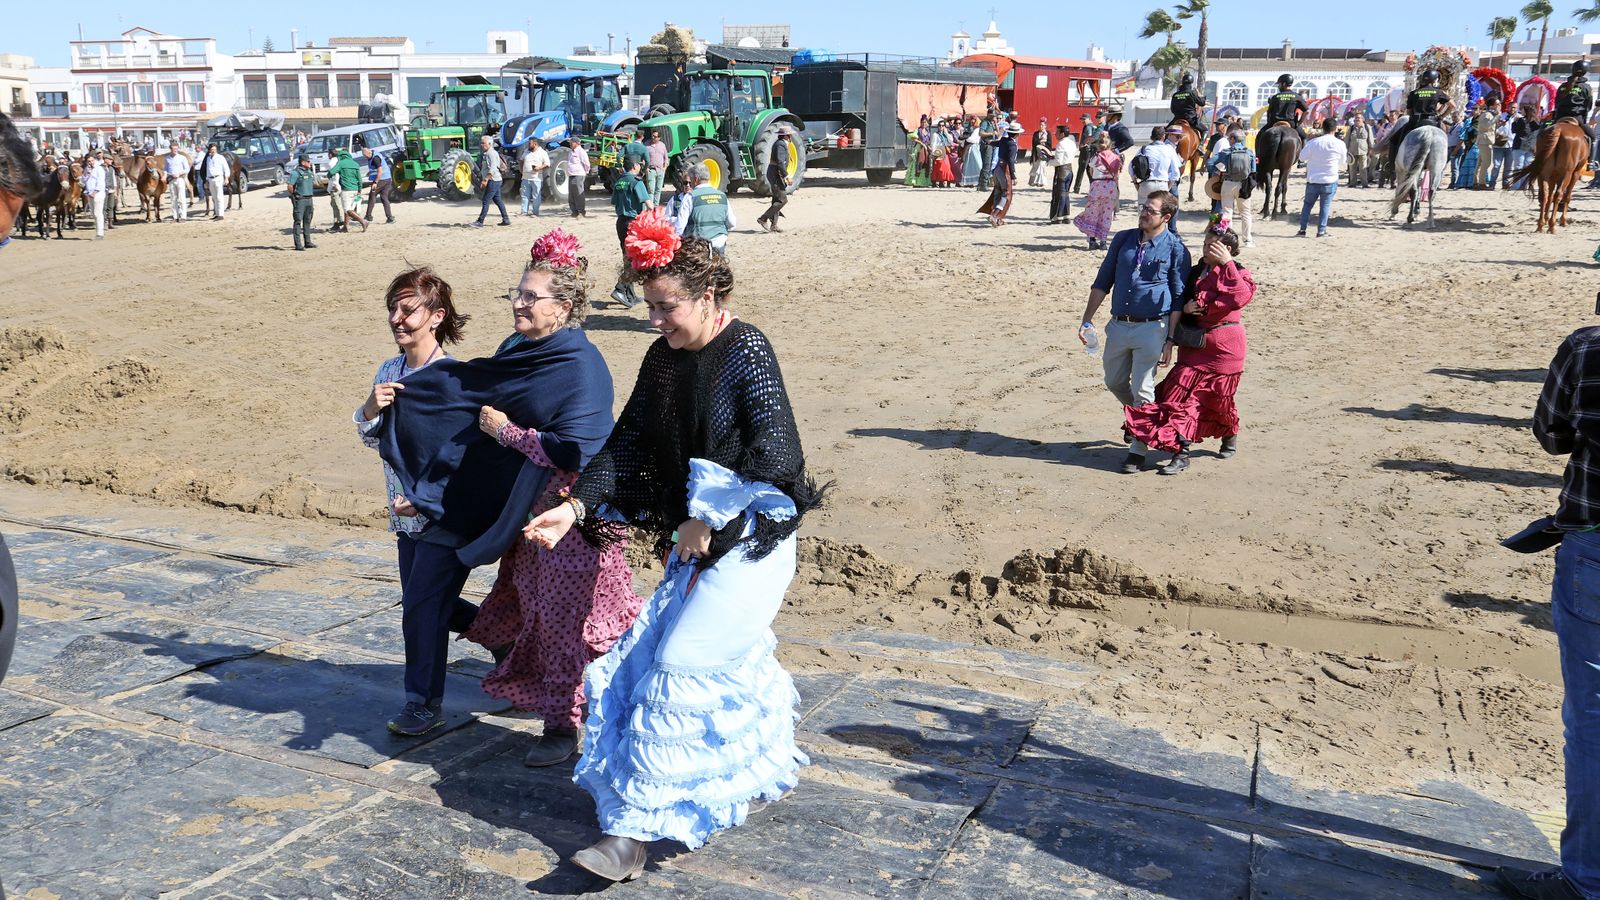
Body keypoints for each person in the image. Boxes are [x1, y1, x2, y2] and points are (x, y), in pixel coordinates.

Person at [522, 218, 823, 882]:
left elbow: (777, 458)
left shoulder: (747, 350)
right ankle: (752, 767)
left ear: (710, 295)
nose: (656, 319)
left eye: (668, 306)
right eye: (650, 306)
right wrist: (571, 509)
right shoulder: (662, 359)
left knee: (678, 664)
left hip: (753, 542)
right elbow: (628, 446)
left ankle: (629, 837)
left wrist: (708, 517)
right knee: (675, 658)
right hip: (698, 538)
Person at [462, 231, 644, 767]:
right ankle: (549, 692)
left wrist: (509, 433)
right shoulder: (518, 351)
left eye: (530, 295)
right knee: (527, 607)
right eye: (516, 292)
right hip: (529, 512)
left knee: (566, 622)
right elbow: (479, 394)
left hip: (574, 517)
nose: (518, 302)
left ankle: (563, 728)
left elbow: (581, 450)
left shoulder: (578, 364)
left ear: (562, 307)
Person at [1494, 319, 1600, 900]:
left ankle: (1587, 882)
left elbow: (1552, 435)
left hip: (1596, 546)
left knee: (1594, 724)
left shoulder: (1588, 348)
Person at [353, 267, 476, 736]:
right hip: (403, 518)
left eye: (408, 310)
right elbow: (372, 441)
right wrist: (369, 409)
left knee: (421, 608)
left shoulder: (456, 379)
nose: (397, 319)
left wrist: (428, 499)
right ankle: (503, 636)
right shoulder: (388, 372)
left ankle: (422, 702)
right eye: (393, 309)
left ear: (436, 316)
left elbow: (463, 458)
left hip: (445, 516)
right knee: (425, 601)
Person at [1125, 216, 1253, 475]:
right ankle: (1181, 452)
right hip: (1194, 346)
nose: (1206, 249)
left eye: (1212, 245)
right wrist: (1185, 308)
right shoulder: (1196, 272)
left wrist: (1227, 263)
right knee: (1178, 398)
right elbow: (1176, 299)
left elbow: (1240, 297)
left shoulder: (1238, 272)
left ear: (1227, 249)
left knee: (1217, 401)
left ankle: (1229, 432)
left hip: (1225, 350)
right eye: (1205, 244)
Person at [1078, 190, 1191, 474]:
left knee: (1142, 388)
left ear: (1166, 217)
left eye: (1150, 211)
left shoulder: (1176, 248)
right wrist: (1087, 319)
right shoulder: (1123, 239)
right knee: (1114, 380)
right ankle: (1145, 421)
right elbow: (1103, 279)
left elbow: (1178, 296)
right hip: (1118, 324)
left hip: (1153, 327)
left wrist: (1170, 339)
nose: (1143, 213)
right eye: (1143, 207)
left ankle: (1137, 450)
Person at [1388, 69, 1455, 176]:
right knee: (1444, 139)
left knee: (1395, 139)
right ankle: (1443, 161)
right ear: (1435, 81)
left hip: (1416, 121)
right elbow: (1452, 105)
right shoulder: (1439, 92)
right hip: (1434, 121)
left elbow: (1409, 112)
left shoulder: (1414, 93)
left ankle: (1391, 165)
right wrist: (1441, 115)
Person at [610, 157, 652, 306]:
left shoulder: (619, 182)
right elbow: (649, 205)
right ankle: (620, 289)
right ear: (634, 166)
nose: (640, 167)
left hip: (620, 222)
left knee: (626, 257)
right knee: (633, 259)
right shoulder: (636, 182)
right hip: (632, 223)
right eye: (639, 165)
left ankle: (630, 294)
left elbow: (614, 202)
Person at [1296, 118, 1347, 237]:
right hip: (1330, 179)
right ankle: (1321, 231)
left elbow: (1302, 158)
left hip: (1313, 178)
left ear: (1323, 128)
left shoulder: (1313, 142)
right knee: (1325, 206)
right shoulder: (1340, 143)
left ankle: (1302, 229)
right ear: (1335, 129)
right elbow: (1343, 162)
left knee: (1307, 205)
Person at [1073, 131, 1122, 250]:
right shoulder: (1116, 157)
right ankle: (1104, 241)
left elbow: (1090, 171)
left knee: (1093, 212)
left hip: (1097, 184)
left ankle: (1091, 240)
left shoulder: (1096, 157)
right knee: (1106, 214)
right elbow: (1117, 175)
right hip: (1110, 185)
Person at [673, 161, 736, 255]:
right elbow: (732, 223)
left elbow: (680, 227)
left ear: (696, 179)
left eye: (691, 180)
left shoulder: (690, 197)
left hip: (698, 245)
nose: (690, 184)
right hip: (719, 243)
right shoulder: (722, 196)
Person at [1135, 126, 1185, 234]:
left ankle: (1142, 235)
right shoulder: (1169, 149)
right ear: (1164, 136)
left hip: (1146, 183)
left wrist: (1136, 184)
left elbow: (1131, 168)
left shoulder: (1144, 149)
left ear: (1151, 137)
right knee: (1161, 214)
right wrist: (1168, 188)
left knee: (1143, 213)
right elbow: (1175, 174)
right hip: (1162, 184)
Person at [1210, 128, 1255, 247]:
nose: (1229, 140)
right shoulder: (1249, 152)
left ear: (1233, 139)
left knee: (1226, 212)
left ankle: (1227, 238)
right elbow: (1254, 170)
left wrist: (1218, 171)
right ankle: (1248, 240)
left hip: (1228, 183)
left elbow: (1210, 163)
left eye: (1230, 138)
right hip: (1244, 185)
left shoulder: (1226, 152)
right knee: (1245, 213)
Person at [979, 121, 1021, 226]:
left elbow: (995, 143)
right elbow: (1011, 161)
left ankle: (998, 218)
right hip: (1004, 170)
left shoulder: (1003, 140)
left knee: (998, 191)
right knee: (1006, 194)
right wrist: (1014, 175)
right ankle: (995, 214)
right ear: (1017, 134)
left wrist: (989, 142)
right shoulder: (1012, 145)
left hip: (997, 168)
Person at [756, 125, 792, 232]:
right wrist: (787, 176)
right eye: (790, 135)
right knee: (783, 200)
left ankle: (774, 225)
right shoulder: (781, 145)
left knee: (776, 199)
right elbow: (780, 162)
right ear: (786, 136)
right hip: (775, 174)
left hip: (775, 173)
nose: (791, 137)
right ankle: (763, 218)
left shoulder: (780, 144)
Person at [1258, 75, 1309, 147]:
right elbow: (1307, 111)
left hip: (1275, 122)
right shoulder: (1297, 96)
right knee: (1304, 137)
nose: (1278, 86)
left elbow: (1269, 112)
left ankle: (1258, 156)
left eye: (1279, 84)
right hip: (1291, 124)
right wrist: (1298, 123)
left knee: (1260, 135)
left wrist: (1269, 123)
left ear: (1284, 84)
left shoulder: (1275, 97)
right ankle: (1301, 157)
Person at [1552, 59, 1595, 143]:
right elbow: (1588, 105)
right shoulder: (1587, 87)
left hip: (1560, 116)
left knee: (1542, 133)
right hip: (1576, 117)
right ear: (1585, 72)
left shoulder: (1562, 86)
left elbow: (1556, 103)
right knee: (1593, 138)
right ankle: (1590, 156)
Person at [327, 148, 367, 233]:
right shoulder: (355, 164)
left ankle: (363, 221)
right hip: (355, 189)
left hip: (346, 189)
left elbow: (331, 172)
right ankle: (345, 226)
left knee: (347, 210)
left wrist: (328, 176)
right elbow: (360, 179)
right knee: (349, 208)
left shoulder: (341, 163)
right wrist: (359, 190)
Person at [474, 134, 510, 228]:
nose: (482, 145)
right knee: (498, 200)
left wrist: (485, 180)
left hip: (493, 180)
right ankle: (506, 219)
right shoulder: (488, 153)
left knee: (486, 200)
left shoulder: (491, 153)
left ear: (489, 144)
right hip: (495, 180)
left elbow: (493, 168)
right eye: (481, 143)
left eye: (483, 143)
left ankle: (480, 221)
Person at [287, 151, 317, 250]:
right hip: (300, 200)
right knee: (298, 221)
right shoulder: (295, 173)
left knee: (308, 220)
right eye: (308, 161)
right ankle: (298, 244)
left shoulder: (309, 172)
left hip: (309, 199)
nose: (310, 163)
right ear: (303, 162)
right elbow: (290, 186)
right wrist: (294, 196)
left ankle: (307, 242)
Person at [1049, 124, 1077, 223]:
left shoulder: (1060, 144)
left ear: (1062, 134)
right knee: (1065, 194)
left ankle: (1058, 216)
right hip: (1069, 169)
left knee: (1059, 194)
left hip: (1061, 170)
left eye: (1057, 132)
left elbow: (1058, 161)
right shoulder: (1072, 142)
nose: (1055, 134)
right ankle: (1066, 215)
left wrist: (1049, 162)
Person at [362, 146, 394, 225]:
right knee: (384, 198)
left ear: (369, 153)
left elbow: (380, 171)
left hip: (382, 179)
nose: (365, 158)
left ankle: (368, 216)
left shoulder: (376, 158)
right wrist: (370, 173)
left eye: (366, 156)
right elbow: (376, 169)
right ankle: (390, 218)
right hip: (387, 178)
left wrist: (375, 182)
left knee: (372, 195)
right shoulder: (373, 154)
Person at [519, 137, 549, 217]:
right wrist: (521, 170)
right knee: (525, 195)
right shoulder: (526, 151)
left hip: (536, 178)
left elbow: (547, 164)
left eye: (530, 143)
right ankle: (524, 212)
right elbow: (521, 160)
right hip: (525, 177)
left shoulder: (542, 153)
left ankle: (535, 212)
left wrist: (539, 168)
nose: (528, 145)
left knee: (536, 196)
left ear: (535, 144)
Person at [1075, 111, 1103, 192]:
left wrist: (1083, 144)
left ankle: (1077, 188)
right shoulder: (1094, 126)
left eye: (1084, 119)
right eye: (1082, 119)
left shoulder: (1088, 127)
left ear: (1089, 119)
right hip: (1091, 150)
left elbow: (1089, 138)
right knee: (1089, 169)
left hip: (1086, 150)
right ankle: (1092, 186)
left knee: (1081, 169)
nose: (1083, 121)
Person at [1474, 101, 1500, 189]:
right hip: (1485, 141)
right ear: (1492, 105)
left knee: (1481, 162)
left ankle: (1476, 181)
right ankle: (1481, 183)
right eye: (1497, 104)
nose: (1499, 106)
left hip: (1486, 140)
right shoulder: (1487, 114)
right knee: (1487, 163)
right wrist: (1497, 117)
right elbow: (1486, 126)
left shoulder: (1489, 115)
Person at [164, 140, 191, 222]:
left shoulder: (182, 158)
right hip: (171, 179)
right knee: (173, 199)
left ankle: (183, 216)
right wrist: (165, 175)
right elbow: (166, 169)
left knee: (182, 198)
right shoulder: (167, 158)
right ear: (170, 149)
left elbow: (187, 169)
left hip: (180, 179)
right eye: (173, 149)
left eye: (176, 149)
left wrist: (179, 173)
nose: (175, 150)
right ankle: (175, 216)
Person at [201, 144, 230, 221]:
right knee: (214, 197)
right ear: (209, 150)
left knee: (219, 196)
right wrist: (206, 179)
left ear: (216, 150)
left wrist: (226, 178)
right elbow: (208, 169)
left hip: (218, 177)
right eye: (212, 149)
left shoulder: (220, 157)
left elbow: (226, 168)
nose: (213, 150)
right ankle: (217, 213)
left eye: (214, 149)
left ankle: (221, 214)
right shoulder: (208, 158)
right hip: (210, 179)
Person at [1345, 113, 1373, 188]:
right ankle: (1352, 183)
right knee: (1352, 169)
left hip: (1363, 151)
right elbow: (1347, 140)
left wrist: (1371, 150)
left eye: (1359, 118)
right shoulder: (1351, 128)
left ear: (1362, 119)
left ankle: (1365, 184)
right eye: (1356, 118)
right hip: (1352, 151)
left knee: (1363, 168)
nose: (1357, 119)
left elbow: (1370, 140)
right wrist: (1346, 151)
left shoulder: (1367, 127)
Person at [82, 151, 107, 239]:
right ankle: (98, 231)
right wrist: (87, 174)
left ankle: (100, 233)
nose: (90, 162)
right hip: (89, 193)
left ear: (95, 160)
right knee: (93, 213)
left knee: (98, 213)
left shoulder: (99, 169)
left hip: (98, 194)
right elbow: (83, 181)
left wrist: (95, 192)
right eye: (88, 161)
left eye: (92, 160)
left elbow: (100, 182)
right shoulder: (86, 169)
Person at [566, 137, 591, 218]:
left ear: (577, 143)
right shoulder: (570, 152)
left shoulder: (581, 152)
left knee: (578, 193)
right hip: (571, 175)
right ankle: (574, 211)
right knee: (572, 194)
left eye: (571, 142)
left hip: (578, 174)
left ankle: (581, 211)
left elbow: (586, 164)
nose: (570, 144)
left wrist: (585, 172)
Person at [644, 130, 668, 205]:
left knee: (658, 190)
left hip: (660, 170)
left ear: (659, 138)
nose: (653, 137)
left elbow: (666, 158)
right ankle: (650, 207)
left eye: (655, 136)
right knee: (651, 190)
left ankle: (656, 207)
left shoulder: (662, 145)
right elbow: (643, 158)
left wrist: (664, 168)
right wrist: (646, 169)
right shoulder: (646, 145)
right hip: (651, 170)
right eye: (652, 135)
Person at [1028, 118, 1053, 188]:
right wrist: (1040, 142)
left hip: (1044, 153)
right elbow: (1034, 143)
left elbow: (1050, 144)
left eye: (1042, 125)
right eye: (1040, 125)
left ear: (1045, 126)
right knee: (1035, 166)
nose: (1041, 127)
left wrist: (1044, 145)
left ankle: (1042, 182)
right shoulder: (1036, 133)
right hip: (1036, 152)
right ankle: (1033, 181)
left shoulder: (1048, 133)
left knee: (1042, 167)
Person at [961, 117, 983, 187]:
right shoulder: (973, 129)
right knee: (970, 164)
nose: (972, 121)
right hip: (972, 147)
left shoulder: (977, 130)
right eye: (971, 120)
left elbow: (971, 139)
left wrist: (965, 137)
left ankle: (980, 179)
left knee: (977, 163)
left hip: (974, 147)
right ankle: (970, 181)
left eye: (973, 120)